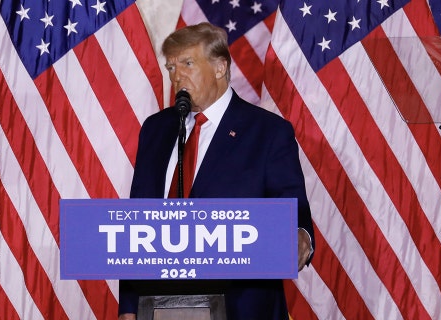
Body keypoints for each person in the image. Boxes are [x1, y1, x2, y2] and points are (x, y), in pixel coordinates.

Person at [118, 22, 315, 320]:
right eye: (171, 67)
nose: (177, 76)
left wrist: (299, 236)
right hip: (160, 306)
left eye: (187, 64)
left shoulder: (268, 132)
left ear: (220, 68)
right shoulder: (156, 130)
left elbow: (293, 208)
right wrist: (129, 306)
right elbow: (137, 220)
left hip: (243, 307)